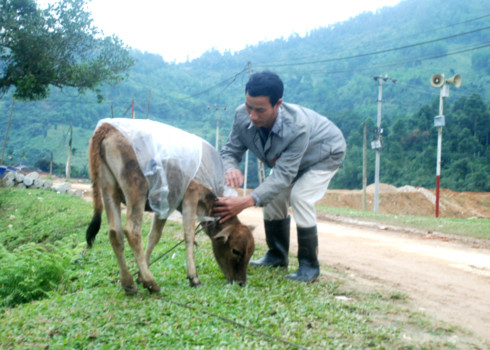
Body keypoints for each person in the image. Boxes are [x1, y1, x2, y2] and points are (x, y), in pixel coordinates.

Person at [213, 71, 346, 283]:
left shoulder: (297, 126)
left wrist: (246, 201)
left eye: (260, 110)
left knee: (300, 197)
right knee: (273, 195)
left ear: (278, 104)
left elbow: (284, 175)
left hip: (324, 154)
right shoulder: (241, 115)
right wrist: (230, 168)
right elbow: (230, 151)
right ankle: (277, 255)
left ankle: (309, 266)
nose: (253, 116)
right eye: (249, 107)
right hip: (288, 162)